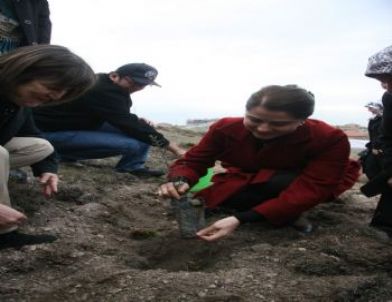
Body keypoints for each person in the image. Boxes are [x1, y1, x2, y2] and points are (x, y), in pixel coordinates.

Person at [158, 85, 360, 241]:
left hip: (295, 180)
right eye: (254, 119)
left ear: (302, 120)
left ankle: (292, 215)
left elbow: (313, 187)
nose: (263, 129)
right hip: (246, 176)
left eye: (278, 124)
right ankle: (262, 207)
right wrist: (180, 179)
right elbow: (195, 160)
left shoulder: (329, 138)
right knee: (228, 198)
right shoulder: (225, 128)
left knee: (281, 186)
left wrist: (242, 219)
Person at [0, 44, 95, 248]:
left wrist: (48, 169)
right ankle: (3, 234)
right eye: (53, 87)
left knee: (42, 146)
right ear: (27, 69)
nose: (57, 96)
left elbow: (32, 133)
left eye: (64, 92)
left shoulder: (18, 102)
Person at [33, 63, 186, 177]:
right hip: (46, 133)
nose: (138, 87)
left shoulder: (108, 83)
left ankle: (133, 167)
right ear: (114, 75)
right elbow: (130, 125)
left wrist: (135, 121)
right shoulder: (102, 89)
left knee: (142, 129)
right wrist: (175, 149)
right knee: (132, 143)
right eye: (134, 82)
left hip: (76, 124)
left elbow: (121, 117)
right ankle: (60, 154)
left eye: (143, 85)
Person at [360, 45, 392, 234]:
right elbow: (388, 136)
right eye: (382, 81)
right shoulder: (389, 98)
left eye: (389, 80)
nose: (386, 86)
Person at [360, 101, 383, 180]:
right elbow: (372, 135)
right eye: (369, 108)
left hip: (382, 147)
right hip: (373, 146)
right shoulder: (373, 120)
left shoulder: (384, 119)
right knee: (367, 164)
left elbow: (383, 134)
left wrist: (377, 147)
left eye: (371, 108)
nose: (369, 110)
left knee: (374, 166)